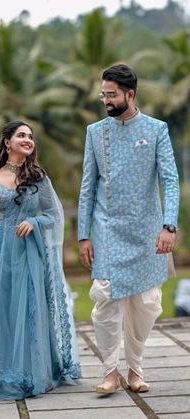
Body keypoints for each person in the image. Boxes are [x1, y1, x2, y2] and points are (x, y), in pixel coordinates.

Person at [0, 120, 81, 400]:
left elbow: (54, 214)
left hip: (27, 252)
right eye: (21, 135)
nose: (28, 139)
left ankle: (31, 372)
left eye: (31, 136)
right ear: (7, 142)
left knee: (27, 308)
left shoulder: (38, 178)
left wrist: (34, 221)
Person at [78, 64, 179, 394]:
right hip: (107, 229)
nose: (106, 100)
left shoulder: (156, 129)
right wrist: (83, 235)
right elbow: (87, 187)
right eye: (103, 94)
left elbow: (170, 180)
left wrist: (169, 226)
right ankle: (109, 371)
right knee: (106, 299)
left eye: (112, 94)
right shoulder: (95, 132)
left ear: (130, 94)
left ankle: (135, 369)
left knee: (146, 304)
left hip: (148, 232)